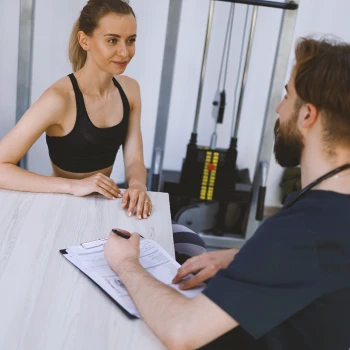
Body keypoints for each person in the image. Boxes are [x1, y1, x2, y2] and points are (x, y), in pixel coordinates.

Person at [104, 37, 350, 350]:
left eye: (287, 96)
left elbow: (181, 332)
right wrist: (243, 258)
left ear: (307, 115)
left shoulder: (303, 230)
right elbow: (321, 268)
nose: (279, 107)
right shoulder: (330, 212)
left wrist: (126, 263)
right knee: (183, 238)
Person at [0, 0, 206, 261]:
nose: (124, 52)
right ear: (84, 41)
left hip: (107, 205)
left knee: (192, 247)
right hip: (65, 206)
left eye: (130, 40)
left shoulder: (129, 89)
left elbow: (133, 158)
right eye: (112, 40)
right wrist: (73, 187)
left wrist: (138, 185)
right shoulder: (59, 99)